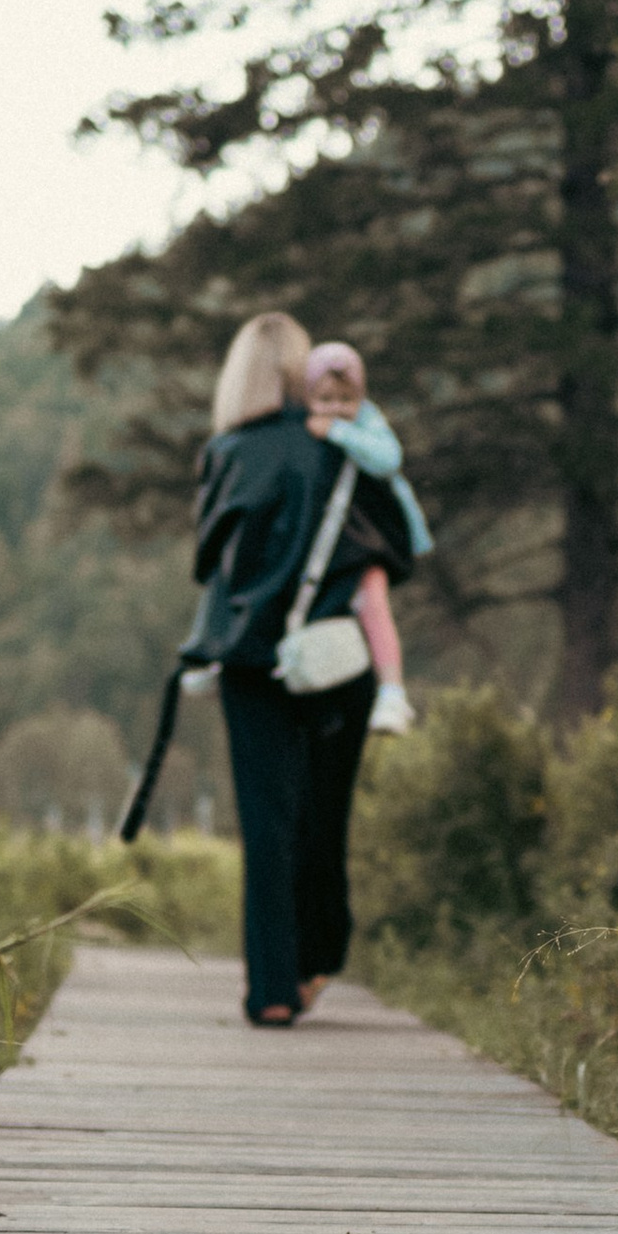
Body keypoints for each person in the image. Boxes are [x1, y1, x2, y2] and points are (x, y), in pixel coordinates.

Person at [184, 309, 416, 1026]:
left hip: (251, 662)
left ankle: (272, 990)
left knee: (266, 826)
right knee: (323, 817)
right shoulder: (338, 444)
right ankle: (320, 953)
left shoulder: (224, 453)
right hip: (333, 659)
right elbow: (392, 547)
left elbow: (210, 563)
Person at [301, 339, 432, 736]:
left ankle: (391, 690)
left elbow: (388, 459)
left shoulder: (364, 424)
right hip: (323, 545)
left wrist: (339, 431)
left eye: (346, 399)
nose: (336, 408)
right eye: (325, 399)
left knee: (372, 600)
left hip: (367, 538)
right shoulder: (299, 429)